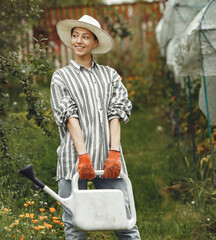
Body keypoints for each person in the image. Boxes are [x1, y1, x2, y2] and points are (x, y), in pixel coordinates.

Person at [50, 15, 141, 239]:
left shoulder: (109, 76)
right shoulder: (61, 77)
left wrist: (114, 153)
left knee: (125, 221)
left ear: (95, 43)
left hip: (109, 160)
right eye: (75, 36)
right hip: (74, 161)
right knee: (74, 226)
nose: (79, 41)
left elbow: (116, 114)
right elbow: (69, 117)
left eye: (85, 37)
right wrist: (83, 157)